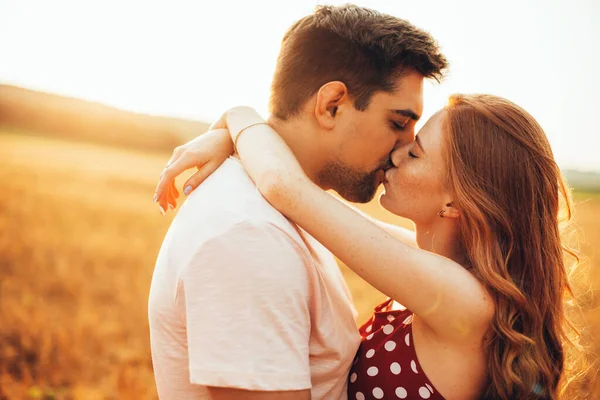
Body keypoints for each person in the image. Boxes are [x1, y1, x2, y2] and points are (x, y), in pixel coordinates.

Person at [155, 97, 581, 399]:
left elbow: (286, 189)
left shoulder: (462, 298)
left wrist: (238, 116)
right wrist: (233, 141)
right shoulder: (444, 273)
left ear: (454, 202)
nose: (395, 156)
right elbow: (324, 216)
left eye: (415, 153)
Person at [148, 4, 447, 399]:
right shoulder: (251, 239)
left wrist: (238, 124)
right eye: (397, 123)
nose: (402, 151)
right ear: (331, 104)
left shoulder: (289, 217)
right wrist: (238, 123)